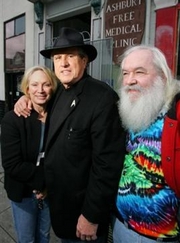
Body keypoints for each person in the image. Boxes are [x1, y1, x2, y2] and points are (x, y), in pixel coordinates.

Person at [14, 27, 126, 243]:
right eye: (58, 58)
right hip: (60, 207)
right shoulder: (58, 94)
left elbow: (107, 165)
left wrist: (92, 216)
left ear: (85, 61)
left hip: (83, 216)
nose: (63, 63)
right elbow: (39, 95)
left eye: (70, 56)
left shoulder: (101, 98)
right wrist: (24, 98)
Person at [113, 44, 180, 243]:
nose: (130, 80)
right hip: (119, 226)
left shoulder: (175, 116)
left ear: (163, 76)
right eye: (125, 73)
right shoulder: (128, 109)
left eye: (140, 72)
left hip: (159, 238)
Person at [1, 66, 58, 243]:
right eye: (34, 85)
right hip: (24, 192)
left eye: (46, 84)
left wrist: (48, 186)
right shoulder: (14, 119)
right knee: (27, 239)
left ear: (53, 88)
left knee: (44, 235)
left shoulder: (59, 115)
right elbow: (11, 164)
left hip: (50, 192)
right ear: (27, 89)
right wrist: (43, 182)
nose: (40, 90)